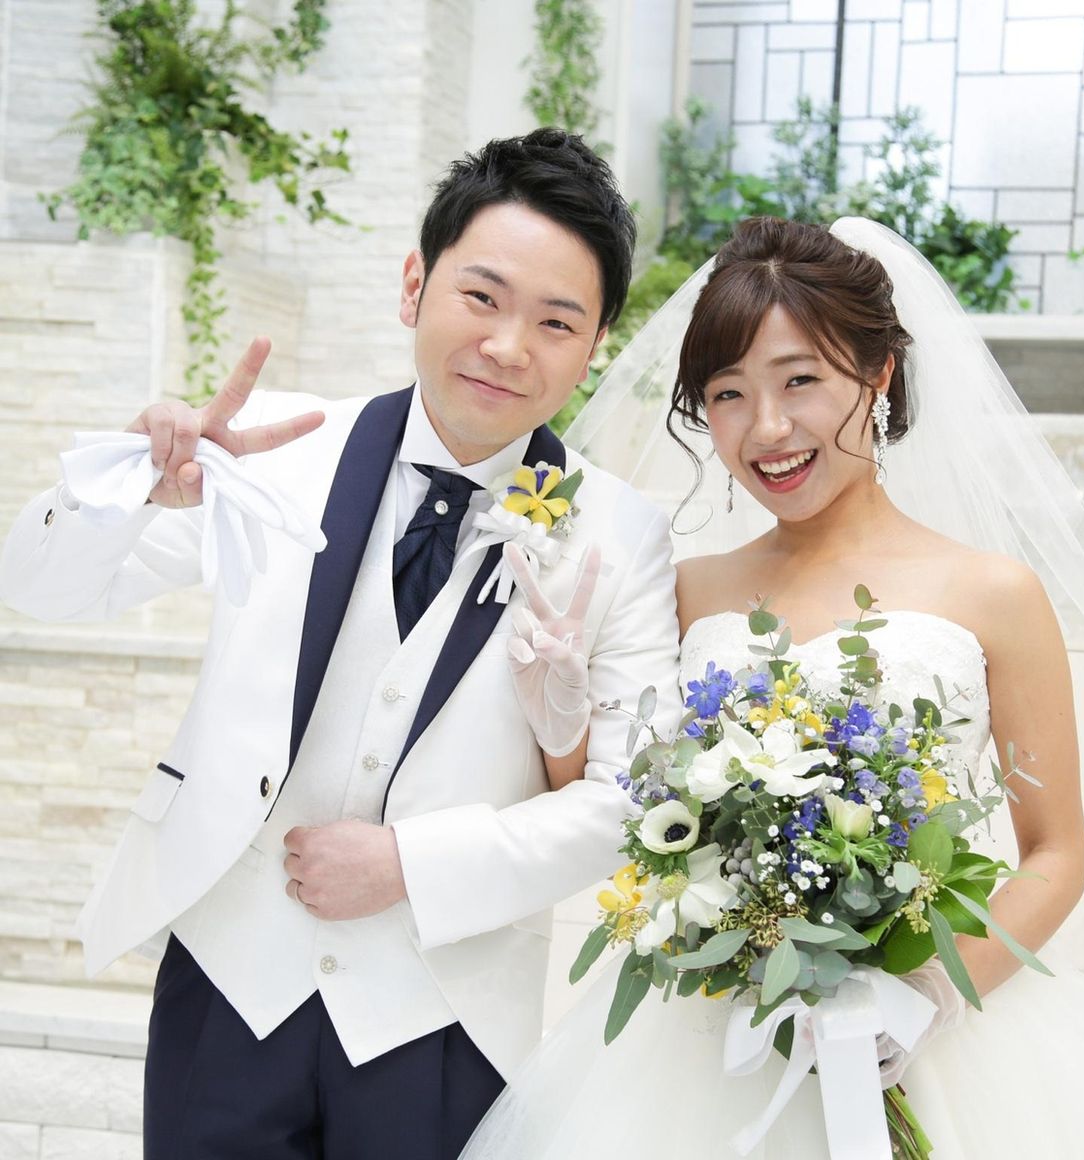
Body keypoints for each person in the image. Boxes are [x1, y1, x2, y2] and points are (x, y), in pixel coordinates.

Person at [0, 128, 682, 1159]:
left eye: (556, 321)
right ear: (414, 285)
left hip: (443, 1015)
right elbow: (39, 589)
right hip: (228, 981)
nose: (509, 346)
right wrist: (128, 491)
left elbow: (632, 803)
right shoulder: (270, 448)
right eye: (482, 296)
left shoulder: (622, 533)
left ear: (595, 347)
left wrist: (411, 863)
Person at [459, 217, 1084, 1159]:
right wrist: (563, 725)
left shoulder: (995, 593)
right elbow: (628, 811)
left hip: (947, 1024)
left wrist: (931, 996)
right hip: (707, 1039)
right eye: (728, 393)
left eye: (800, 381)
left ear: (879, 374)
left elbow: (1057, 852)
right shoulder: (688, 589)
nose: (768, 429)